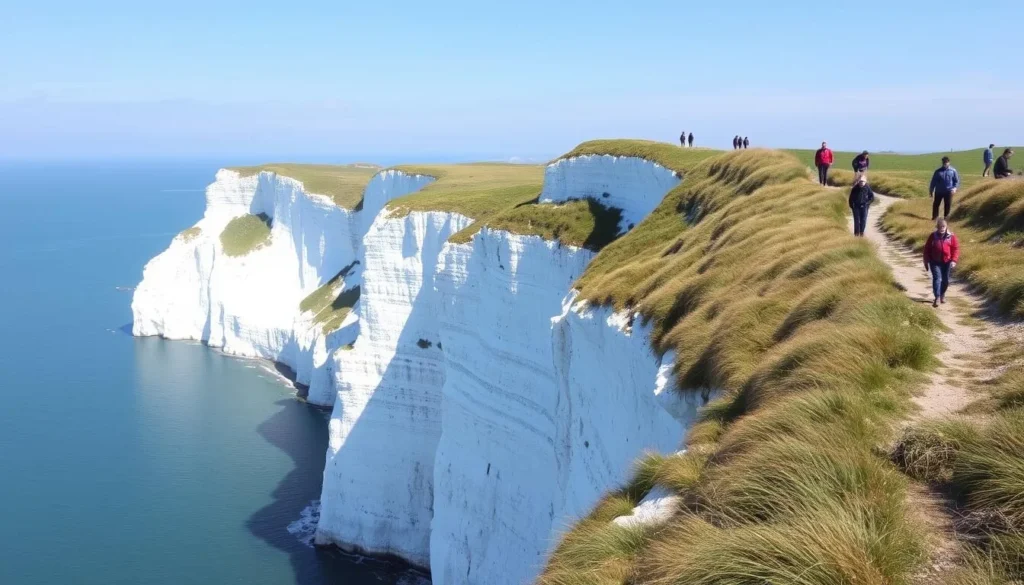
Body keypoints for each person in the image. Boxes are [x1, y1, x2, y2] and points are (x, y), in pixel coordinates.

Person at [922, 218, 960, 308]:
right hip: (934, 262)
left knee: (945, 281)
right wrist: (926, 260)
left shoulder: (951, 236)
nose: (942, 228)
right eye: (940, 226)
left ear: (946, 227)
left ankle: (942, 294)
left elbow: (956, 249)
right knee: (937, 279)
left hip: (947, 262)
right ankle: (937, 297)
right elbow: (926, 248)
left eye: (943, 226)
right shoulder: (933, 236)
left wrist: (954, 260)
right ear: (937, 227)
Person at [929, 156, 960, 220]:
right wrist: (931, 191)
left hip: (948, 191)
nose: (945, 164)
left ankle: (946, 218)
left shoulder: (953, 171)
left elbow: (956, 181)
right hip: (939, 191)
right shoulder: (938, 172)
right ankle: (935, 218)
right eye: (944, 163)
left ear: (949, 162)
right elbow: (933, 182)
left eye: (946, 162)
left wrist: (954, 188)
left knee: (947, 205)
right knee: (936, 204)